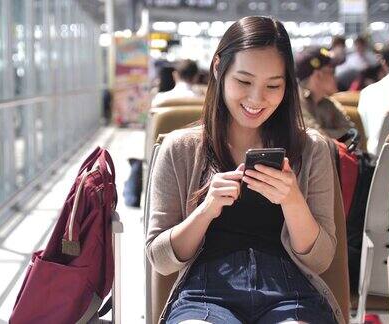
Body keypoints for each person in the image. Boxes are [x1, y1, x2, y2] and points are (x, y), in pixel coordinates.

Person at [146, 16, 342, 324]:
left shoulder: (312, 149)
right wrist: (205, 211)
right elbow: (160, 259)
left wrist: (292, 200)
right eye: (244, 81)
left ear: (287, 85)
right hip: (205, 293)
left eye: (273, 85)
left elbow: (320, 260)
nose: (256, 99)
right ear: (217, 68)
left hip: (292, 293)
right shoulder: (179, 149)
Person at [296, 46, 354, 139]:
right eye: (332, 72)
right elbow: (317, 139)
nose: (336, 77)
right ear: (318, 75)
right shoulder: (295, 104)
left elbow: (353, 135)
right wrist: (341, 137)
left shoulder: (327, 102)